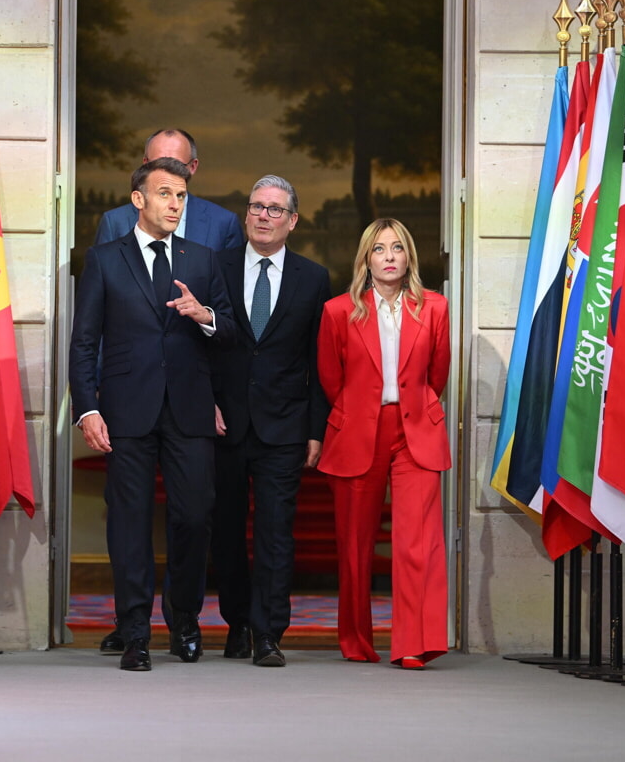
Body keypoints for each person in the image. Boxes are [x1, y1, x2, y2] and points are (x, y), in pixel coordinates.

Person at [70, 157, 235, 672]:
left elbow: (230, 332)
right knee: (129, 524)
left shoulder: (204, 260)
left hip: (189, 409)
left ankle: (184, 621)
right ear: (138, 199)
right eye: (165, 194)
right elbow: (84, 342)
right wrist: (88, 408)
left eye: (182, 195)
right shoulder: (105, 258)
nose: (175, 204)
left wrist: (204, 316)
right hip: (127, 410)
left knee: (193, 517)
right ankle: (136, 632)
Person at [316, 217, 451, 669]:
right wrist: (361, 411)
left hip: (415, 433)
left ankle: (413, 644)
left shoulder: (435, 307)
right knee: (354, 546)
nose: (389, 257)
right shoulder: (338, 311)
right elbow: (331, 379)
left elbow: (438, 375)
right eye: (379, 249)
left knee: (417, 543)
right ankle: (356, 640)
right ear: (366, 259)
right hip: (358, 432)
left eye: (397, 248)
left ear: (409, 255)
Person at [210, 175, 331, 667]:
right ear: (246, 215)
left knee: (276, 532)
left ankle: (268, 633)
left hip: (284, 425)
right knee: (226, 531)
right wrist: (203, 404)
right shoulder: (214, 267)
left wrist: (316, 429)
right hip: (223, 424)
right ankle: (236, 624)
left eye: (274, 209)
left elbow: (319, 360)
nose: (263, 215)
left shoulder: (314, 277)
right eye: (256, 206)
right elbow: (196, 347)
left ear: (293, 221)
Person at [94, 128, 243, 250]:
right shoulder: (114, 222)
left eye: (176, 166)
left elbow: (228, 285)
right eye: (158, 165)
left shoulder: (223, 223)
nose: (167, 174)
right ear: (145, 165)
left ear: (192, 167)